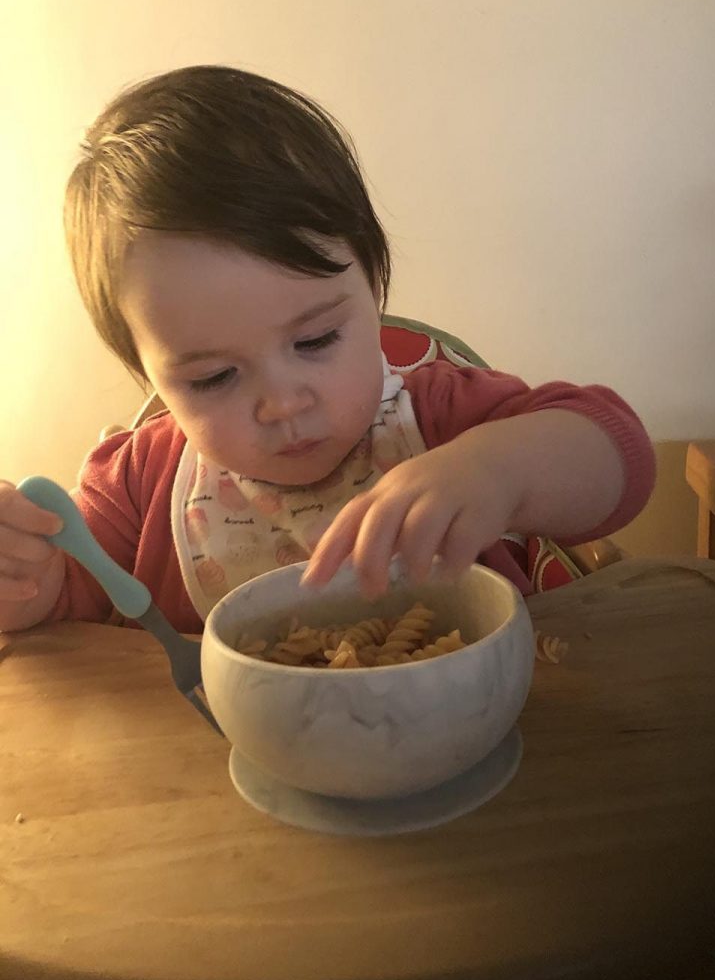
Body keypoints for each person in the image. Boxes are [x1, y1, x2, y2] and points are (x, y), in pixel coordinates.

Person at [0, 65, 656, 635]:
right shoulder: (139, 489)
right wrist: (27, 575)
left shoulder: (444, 418)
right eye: (213, 377)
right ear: (146, 370)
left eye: (315, 340)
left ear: (373, 289)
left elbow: (617, 457)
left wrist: (497, 474)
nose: (284, 402)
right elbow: (66, 606)